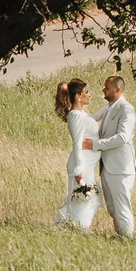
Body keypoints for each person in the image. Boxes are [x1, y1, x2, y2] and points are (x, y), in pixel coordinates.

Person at [84, 73, 136, 239]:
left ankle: (127, 240)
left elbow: (123, 137)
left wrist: (95, 145)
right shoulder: (109, 107)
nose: (103, 90)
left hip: (120, 168)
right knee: (113, 208)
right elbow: (91, 120)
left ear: (117, 89)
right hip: (107, 166)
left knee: (121, 207)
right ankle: (121, 238)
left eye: (106, 87)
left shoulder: (126, 110)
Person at [54, 78, 100, 229]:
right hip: (82, 164)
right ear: (78, 96)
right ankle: (77, 227)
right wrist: (80, 169)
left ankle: (77, 226)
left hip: (88, 163)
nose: (89, 95)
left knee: (88, 199)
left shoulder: (82, 114)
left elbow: (92, 119)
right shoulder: (75, 115)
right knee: (83, 198)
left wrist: (108, 107)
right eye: (86, 92)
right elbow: (77, 142)